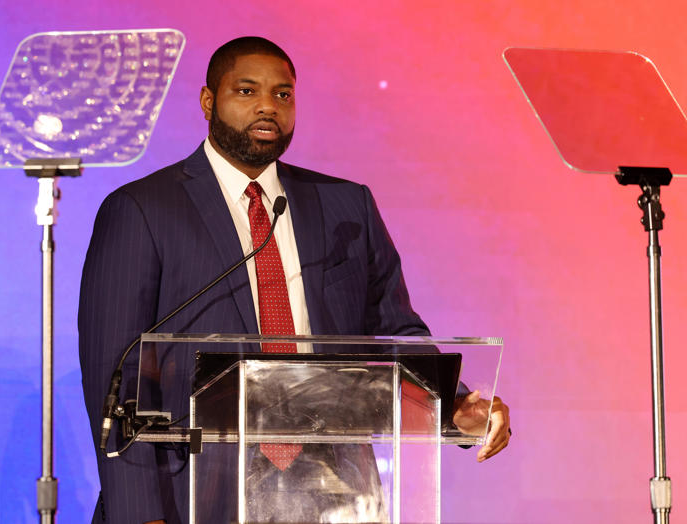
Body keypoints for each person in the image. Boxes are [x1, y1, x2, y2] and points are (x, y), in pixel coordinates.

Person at [79, 36, 510, 524]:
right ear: (208, 101)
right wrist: (141, 514)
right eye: (246, 91)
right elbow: (116, 377)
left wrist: (453, 408)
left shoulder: (346, 206)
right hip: (194, 491)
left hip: (333, 492)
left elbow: (395, 334)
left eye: (282, 94)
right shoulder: (142, 209)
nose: (268, 106)